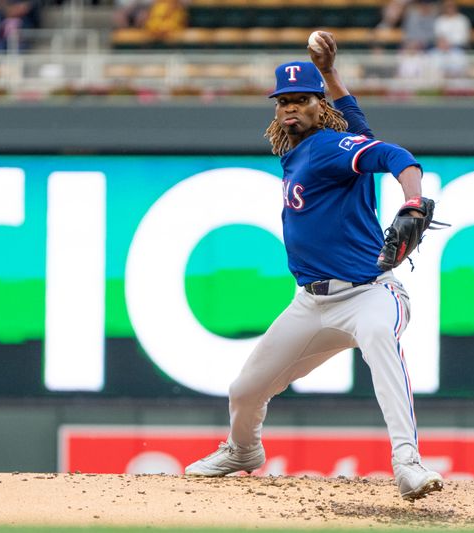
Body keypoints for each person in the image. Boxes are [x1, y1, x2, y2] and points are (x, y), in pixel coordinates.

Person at [184, 31, 444, 502]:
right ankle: (243, 451)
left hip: (368, 294)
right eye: (283, 100)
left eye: (300, 100)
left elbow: (394, 155)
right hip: (310, 304)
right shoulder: (299, 151)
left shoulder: (329, 146)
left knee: (380, 339)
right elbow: (360, 126)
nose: (289, 108)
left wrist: (413, 199)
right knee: (244, 390)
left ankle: (407, 462)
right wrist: (327, 72)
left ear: (318, 107)